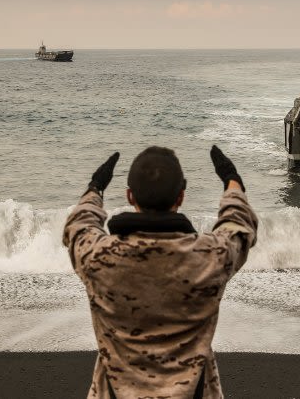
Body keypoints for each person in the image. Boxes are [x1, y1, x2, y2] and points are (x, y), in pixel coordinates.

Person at [62, 145, 258, 398]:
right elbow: (239, 223)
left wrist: (95, 188)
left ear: (130, 196)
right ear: (181, 197)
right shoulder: (211, 257)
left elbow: (79, 224)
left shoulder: (98, 257)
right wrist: (232, 181)